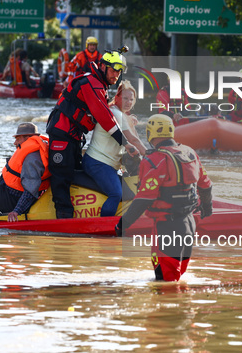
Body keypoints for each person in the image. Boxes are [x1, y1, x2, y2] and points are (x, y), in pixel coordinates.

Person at [115, 114, 213, 282]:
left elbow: (144, 199)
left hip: (167, 227)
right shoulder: (189, 153)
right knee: (178, 279)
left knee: (165, 283)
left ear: (150, 133)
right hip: (189, 224)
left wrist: (121, 226)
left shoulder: (155, 160)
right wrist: (207, 206)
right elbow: (206, 185)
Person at [46, 49, 127, 219]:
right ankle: (64, 216)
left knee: (75, 172)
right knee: (62, 175)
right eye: (113, 71)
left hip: (74, 135)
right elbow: (104, 117)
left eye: (119, 73)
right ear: (103, 67)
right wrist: (124, 142)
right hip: (62, 133)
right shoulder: (91, 82)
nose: (116, 76)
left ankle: (77, 211)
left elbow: (104, 111)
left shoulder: (99, 84)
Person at [82, 80, 147, 217]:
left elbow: (132, 142)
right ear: (117, 97)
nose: (128, 102)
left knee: (128, 189)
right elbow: (133, 140)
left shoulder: (119, 114)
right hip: (97, 163)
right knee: (116, 194)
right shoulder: (116, 114)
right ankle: (105, 226)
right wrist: (152, 157)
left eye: (131, 99)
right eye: (125, 98)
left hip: (107, 165)